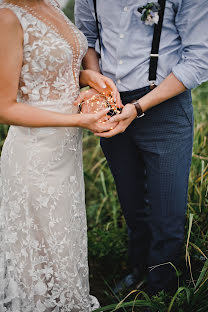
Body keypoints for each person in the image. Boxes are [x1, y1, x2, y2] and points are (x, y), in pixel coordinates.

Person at [75, 0, 208, 299]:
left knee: (167, 213)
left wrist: (139, 107)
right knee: (133, 205)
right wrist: (100, 85)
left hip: (164, 106)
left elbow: (199, 59)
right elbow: (86, 39)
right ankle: (138, 273)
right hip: (112, 104)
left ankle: (162, 292)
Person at [0, 0, 120, 310]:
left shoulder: (50, 5)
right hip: (35, 154)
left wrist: (86, 77)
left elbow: (47, 70)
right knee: (39, 250)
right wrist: (78, 119)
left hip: (65, 151)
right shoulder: (8, 17)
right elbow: (5, 107)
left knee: (63, 240)